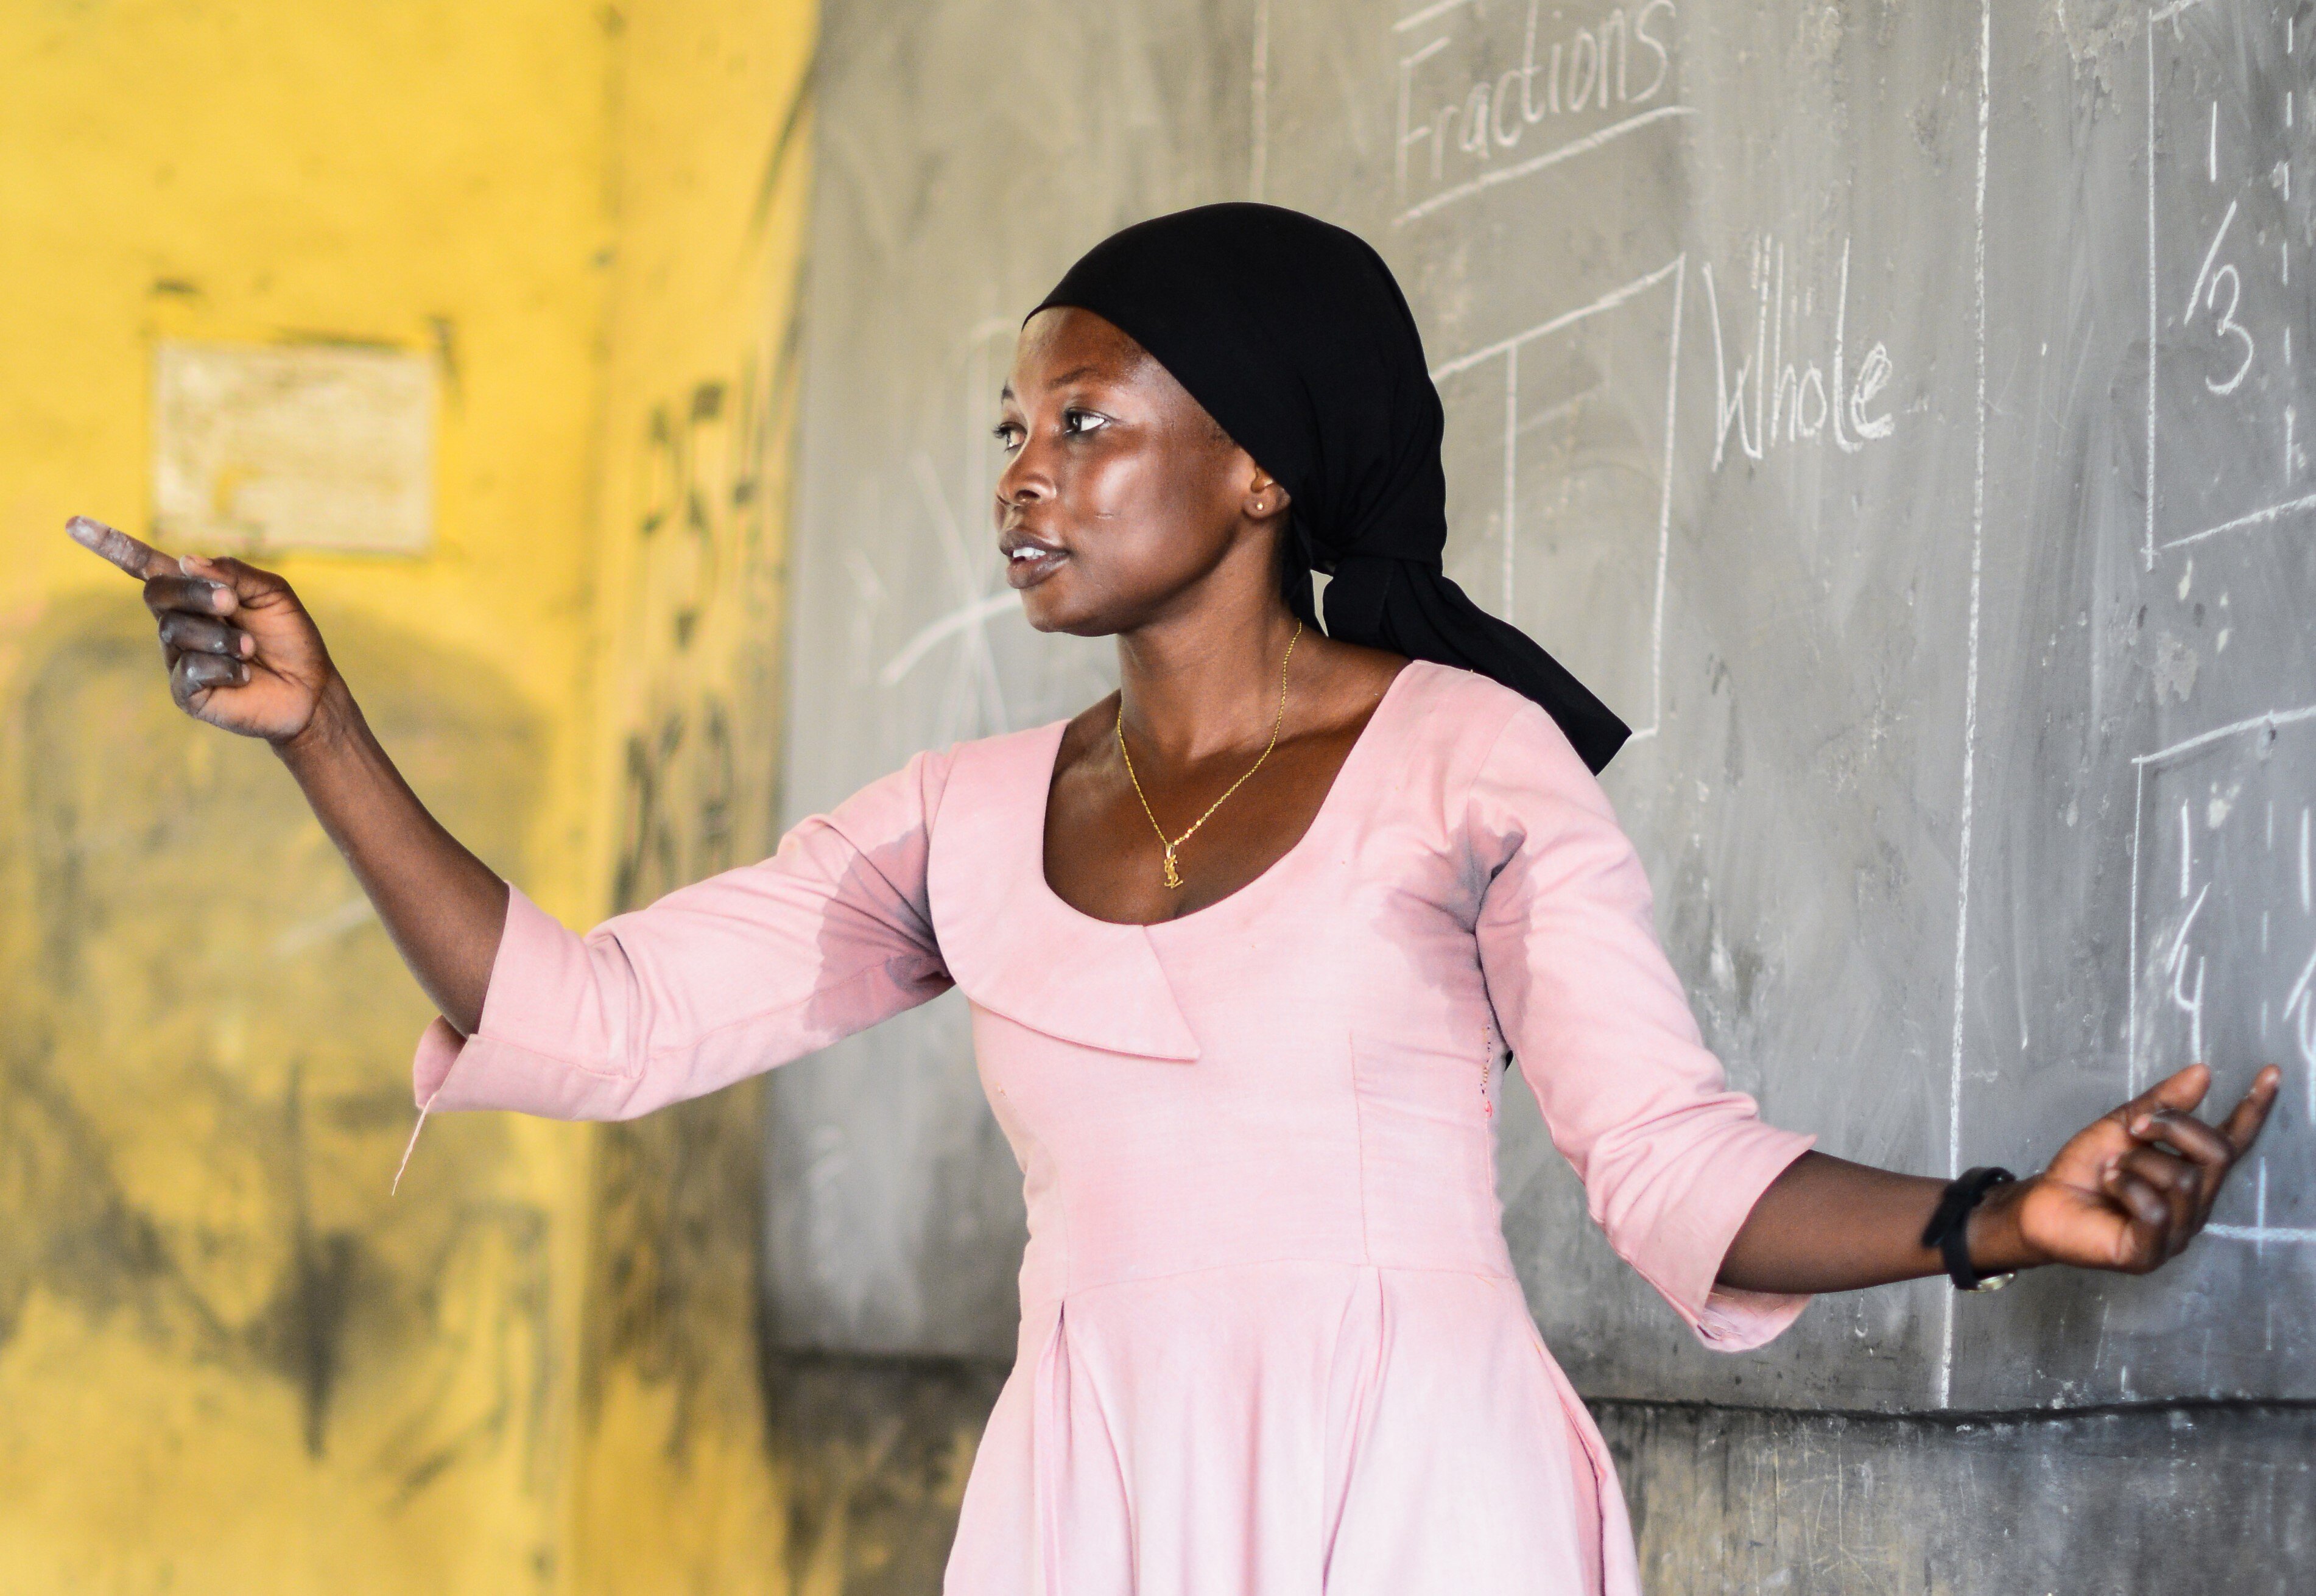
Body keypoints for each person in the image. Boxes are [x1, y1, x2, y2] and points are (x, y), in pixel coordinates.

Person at [76, 204, 2277, 1596]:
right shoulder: (955, 818)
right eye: (1009, 434)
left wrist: (2001, 1216)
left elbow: (1668, 1165)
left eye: (1085, 423)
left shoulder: (1459, 759)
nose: (1025, 476)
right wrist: (324, 735)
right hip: (1090, 1497)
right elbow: (604, 1013)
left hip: (1414, 1497)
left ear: (1259, 467)